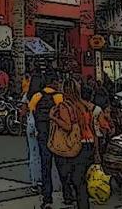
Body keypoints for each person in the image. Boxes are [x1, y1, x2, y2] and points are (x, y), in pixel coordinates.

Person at [51, 79, 96, 209]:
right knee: (81, 179)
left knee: (76, 180)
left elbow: (67, 126)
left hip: (77, 145)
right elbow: (92, 127)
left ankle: (81, 204)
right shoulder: (85, 105)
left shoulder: (65, 106)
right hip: (89, 143)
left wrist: (53, 118)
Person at [28, 72, 64, 209]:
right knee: (61, 165)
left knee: (45, 166)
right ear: (54, 82)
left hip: (42, 136)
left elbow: (31, 113)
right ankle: (67, 194)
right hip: (57, 136)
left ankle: (47, 198)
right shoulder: (59, 97)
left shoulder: (37, 96)